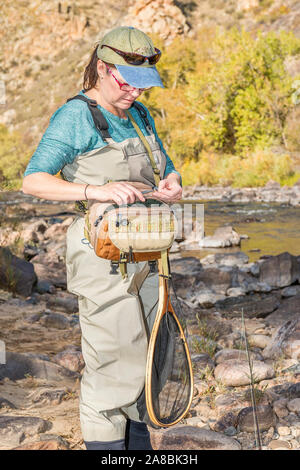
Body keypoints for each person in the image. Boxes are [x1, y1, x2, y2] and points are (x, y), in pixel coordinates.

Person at [22, 26, 182, 450]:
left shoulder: (140, 114)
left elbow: (165, 166)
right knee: (115, 365)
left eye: (144, 85)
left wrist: (172, 181)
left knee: (150, 360)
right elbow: (33, 181)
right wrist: (95, 191)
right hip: (101, 258)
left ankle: (138, 451)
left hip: (150, 256)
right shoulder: (77, 115)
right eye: (128, 82)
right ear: (102, 68)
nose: (136, 93)